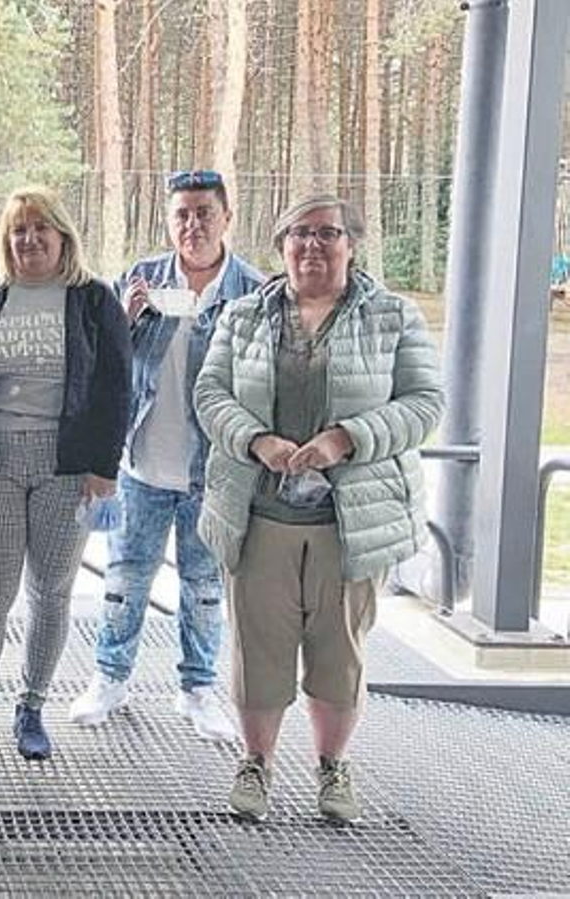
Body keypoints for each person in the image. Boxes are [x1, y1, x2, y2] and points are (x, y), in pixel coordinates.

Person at [194, 195, 443, 823]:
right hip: (259, 516)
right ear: (280, 247)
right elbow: (210, 391)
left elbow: (424, 403)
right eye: (299, 234)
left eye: (327, 234)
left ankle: (333, 768)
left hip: (350, 522)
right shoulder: (243, 315)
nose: (312, 246)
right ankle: (256, 764)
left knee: (339, 652)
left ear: (350, 244)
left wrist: (347, 439)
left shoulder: (394, 316)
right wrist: (257, 440)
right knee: (260, 649)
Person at [69, 170, 264, 743]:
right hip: (142, 462)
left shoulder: (252, 292)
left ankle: (198, 689)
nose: (192, 224)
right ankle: (110, 678)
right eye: (181, 214)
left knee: (204, 585)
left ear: (227, 216)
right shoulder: (140, 278)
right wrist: (122, 322)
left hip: (215, 470)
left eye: (204, 212)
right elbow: (94, 359)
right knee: (126, 577)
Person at [0, 187, 131, 761]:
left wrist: (104, 467)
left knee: (51, 593)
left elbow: (116, 387)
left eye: (40, 228)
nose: (29, 239)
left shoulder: (94, 300)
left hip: (67, 467)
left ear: (63, 235)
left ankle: (32, 706)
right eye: (18, 230)